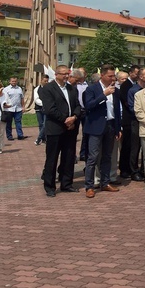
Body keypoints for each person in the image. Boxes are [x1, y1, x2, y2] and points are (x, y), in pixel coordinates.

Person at [40, 65, 82, 196]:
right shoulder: (48, 89)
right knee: (52, 158)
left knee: (68, 158)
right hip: (55, 129)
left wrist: (74, 117)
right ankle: (50, 187)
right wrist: (66, 120)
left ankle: (67, 184)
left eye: (67, 74)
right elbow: (50, 109)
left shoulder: (72, 89)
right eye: (63, 74)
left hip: (70, 129)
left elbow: (77, 106)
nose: (66, 76)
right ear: (56, 74)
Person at [82, 64, 122, 198]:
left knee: (107, 156)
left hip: (110, 126)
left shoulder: (115, 90)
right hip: (95, 127)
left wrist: (118, 128)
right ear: (102, 75)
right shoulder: (91, 89)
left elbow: (116, 110)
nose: (113, 78)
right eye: (110, 76)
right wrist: (103, 95)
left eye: (113, 76)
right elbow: (88, 106)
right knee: (92, 157)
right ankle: (89, 186)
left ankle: (105, 182)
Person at [33, 75, 49, 145]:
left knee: (45, 124)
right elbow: (36, 99)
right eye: (45, 81)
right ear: (41, 80)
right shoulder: (37, 89)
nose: (46, 82)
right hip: (39, 109)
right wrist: (44, 104)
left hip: (46, 109)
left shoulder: (49, 88)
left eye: (47, 81)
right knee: (40, 124)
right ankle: (43, 139)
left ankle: (38, 138)